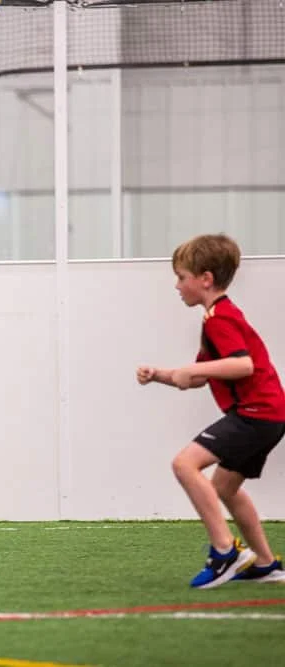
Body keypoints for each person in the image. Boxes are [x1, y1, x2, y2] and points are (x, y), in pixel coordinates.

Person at [137, 233, 285, 588]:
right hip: (269, 415)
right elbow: (197, 376)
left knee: (184, 464)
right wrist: (160, 375)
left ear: (205, 279)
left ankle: (225, 552)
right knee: (226, 487)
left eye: (181, 277)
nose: (177, 286)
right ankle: (265, 564)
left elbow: (242, 366)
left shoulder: (220, 318)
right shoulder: (216, 319)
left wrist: (198, 371)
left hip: (256, 413)